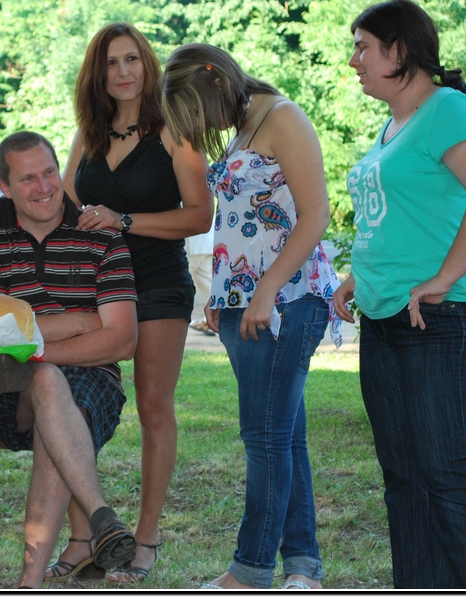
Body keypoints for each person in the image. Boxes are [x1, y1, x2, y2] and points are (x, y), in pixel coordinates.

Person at [334, 0, 466, 589]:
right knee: (404, 476)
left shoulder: (449, 110)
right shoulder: (392, 125)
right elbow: (403, 217)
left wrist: (443, 277)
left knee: (446, 472)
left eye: (364, 46)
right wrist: (362, 274)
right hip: (388, 319)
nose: (354, 59)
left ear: (399, 51)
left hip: (448, 316)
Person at [161, 43, 342, 590]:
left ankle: (251, 569)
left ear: (216, 79)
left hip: (287, 305)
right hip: (245, 306)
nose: (202, 127)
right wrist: (223, 293)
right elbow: (239, 223)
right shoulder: (244, 125)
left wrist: (264, 291)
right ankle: (302, 566)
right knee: (284, 438)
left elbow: (316, 214)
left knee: (264, 439)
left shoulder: (283, 117)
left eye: (198, 113)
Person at [55, 22, 212, 585]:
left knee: (152, 407)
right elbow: (66, 201)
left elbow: (201, 215)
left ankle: (145, 538)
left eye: (131, 60)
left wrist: (123, 221)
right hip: (96, 289)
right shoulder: (89, 133)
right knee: (75, 404)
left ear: (146, 65)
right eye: (110, 63)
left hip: (157, 284)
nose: (122, 72)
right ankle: (84, 536)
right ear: (97, 75)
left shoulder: (173, 130)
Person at [0, 131, 139, 589]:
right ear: (4, 187)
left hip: (91, 385)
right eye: (27, 179)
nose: (43, 187)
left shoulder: (101, 237)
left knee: (51, 392)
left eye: (49, 173)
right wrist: (81, 319)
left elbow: (121, 340)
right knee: (43, 384)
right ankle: (100, 521)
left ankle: (30, 582)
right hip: (2, 384)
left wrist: (36, 346)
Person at [185, 225, 216, 335]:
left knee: (175, 286)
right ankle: (213, 320)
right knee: (209, 285)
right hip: (205, 243)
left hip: (192, 244)